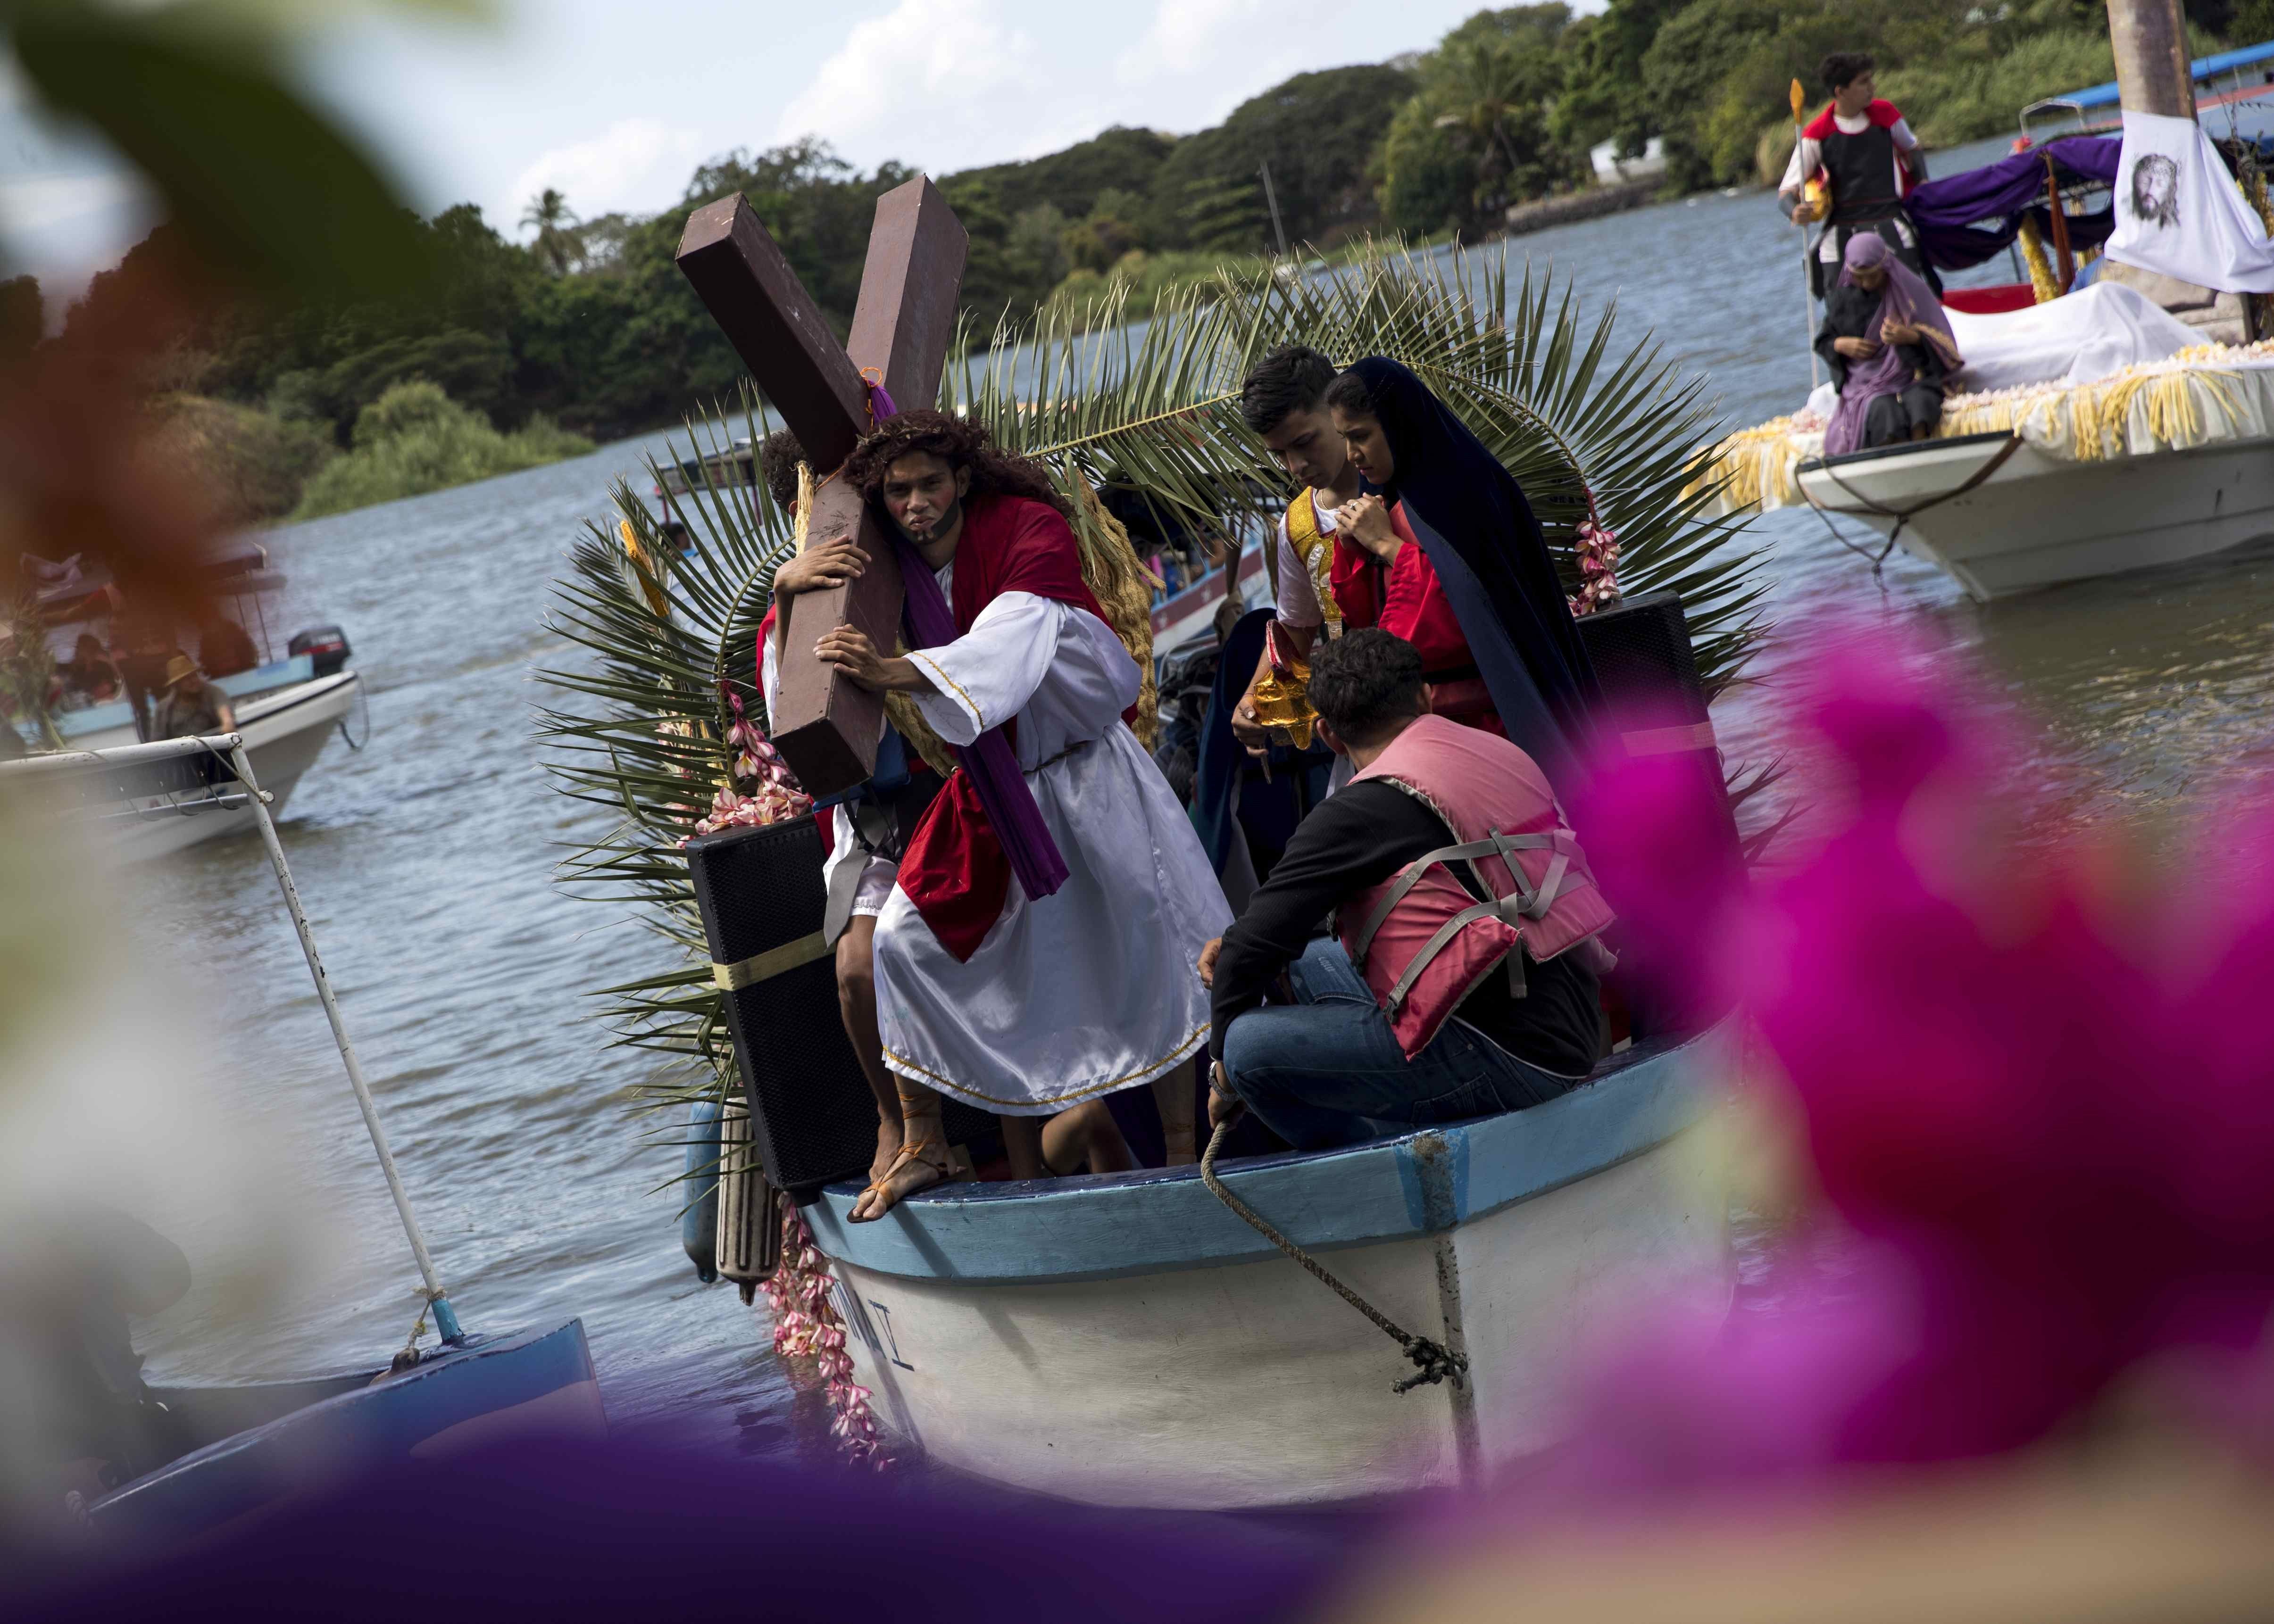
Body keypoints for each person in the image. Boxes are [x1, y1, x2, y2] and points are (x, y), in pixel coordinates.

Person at [792, 410, 1226, 1217]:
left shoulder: (1026, 526)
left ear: (960, 479)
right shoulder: (887, 566)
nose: (916, 503)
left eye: (930, 484)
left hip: (1091, 772)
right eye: (898, 490)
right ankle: (925, 1138)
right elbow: (795, 653)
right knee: (900, 942)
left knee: (1151, 950)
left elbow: (1016, 635)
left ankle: (1179, 1152)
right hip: (995, 790)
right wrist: (793, 586)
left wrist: (897, 668)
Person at [1199, 630, 1613, 1150]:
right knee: (1304, 963)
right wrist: (1245, 945)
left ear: (1327, 733)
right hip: (1577, 1024)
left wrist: (1222, 1076)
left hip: (1509, 1059)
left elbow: (1246, 957)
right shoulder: (1497, 752)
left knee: (1244, 1049)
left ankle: (1368, 1167)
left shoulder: (1352, 815)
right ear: (1424, 697)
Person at [1321, 357, 1604, 789]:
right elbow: (1368, 628)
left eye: (1361, 436)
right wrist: (1353, 550)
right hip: (1420, 731)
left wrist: (1386, 547)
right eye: (1343, 439)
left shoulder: (1463, 491)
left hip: (1491, 723)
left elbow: (1469, 615)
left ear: (1398, 424)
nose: (1351, 455)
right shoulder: (1380, 497)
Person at [1229, 345, 1360, 755]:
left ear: (1337, 410)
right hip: (1360, 721)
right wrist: (1254, 700)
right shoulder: (1297, 524)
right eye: (1280, 454)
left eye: (1304, 442)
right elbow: (1297, 629)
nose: (1295, 465)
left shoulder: (1400, 495)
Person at [1779, 52, 1937, 298]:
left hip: (1890, 220)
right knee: (1845, 309)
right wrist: (1794, 211)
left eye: (1870, 80)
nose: (1872, 87)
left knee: (1909, 301)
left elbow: (1912, 148)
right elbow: (1786, 193)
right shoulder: (1817, 134)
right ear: (1841, 91)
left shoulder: (1886, 115)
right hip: (1842, 228)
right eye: (1863, 82)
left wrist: (1923, 182)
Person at [1816, 232, 1963, 456]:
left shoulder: (1910, 291)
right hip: (1865, 384)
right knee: (1882, 409)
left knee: (1921, 401)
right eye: (1859, 277)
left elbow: (1944, 343)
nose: (1866, 283)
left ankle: (1921, 452)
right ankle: (1891, 456)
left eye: (1873, 276)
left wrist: (1911, 337)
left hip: (1912, 375)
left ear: (1885, 266)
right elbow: (1824, 341)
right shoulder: (1841, 300)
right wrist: (1840, 345)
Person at [151, 653, 234, 738]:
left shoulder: (211, 691)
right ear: (177, 685)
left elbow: (222, 705)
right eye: (187, 679)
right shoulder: (164, 708)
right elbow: (157, 739)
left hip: (213, 746)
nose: (193, 681)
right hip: (180, 750)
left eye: (194, 676)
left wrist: (227, 722)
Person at [57, 633, 122, 705]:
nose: (96, 694)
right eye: (102, 694)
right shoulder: (105, 667)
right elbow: (85, 640)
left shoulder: (84, 683)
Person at [197, 611, 258, 678]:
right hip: (221, 675)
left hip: (242, 670)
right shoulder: (206, 639)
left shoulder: (233, 629)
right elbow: (205, 662)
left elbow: (248, 650)